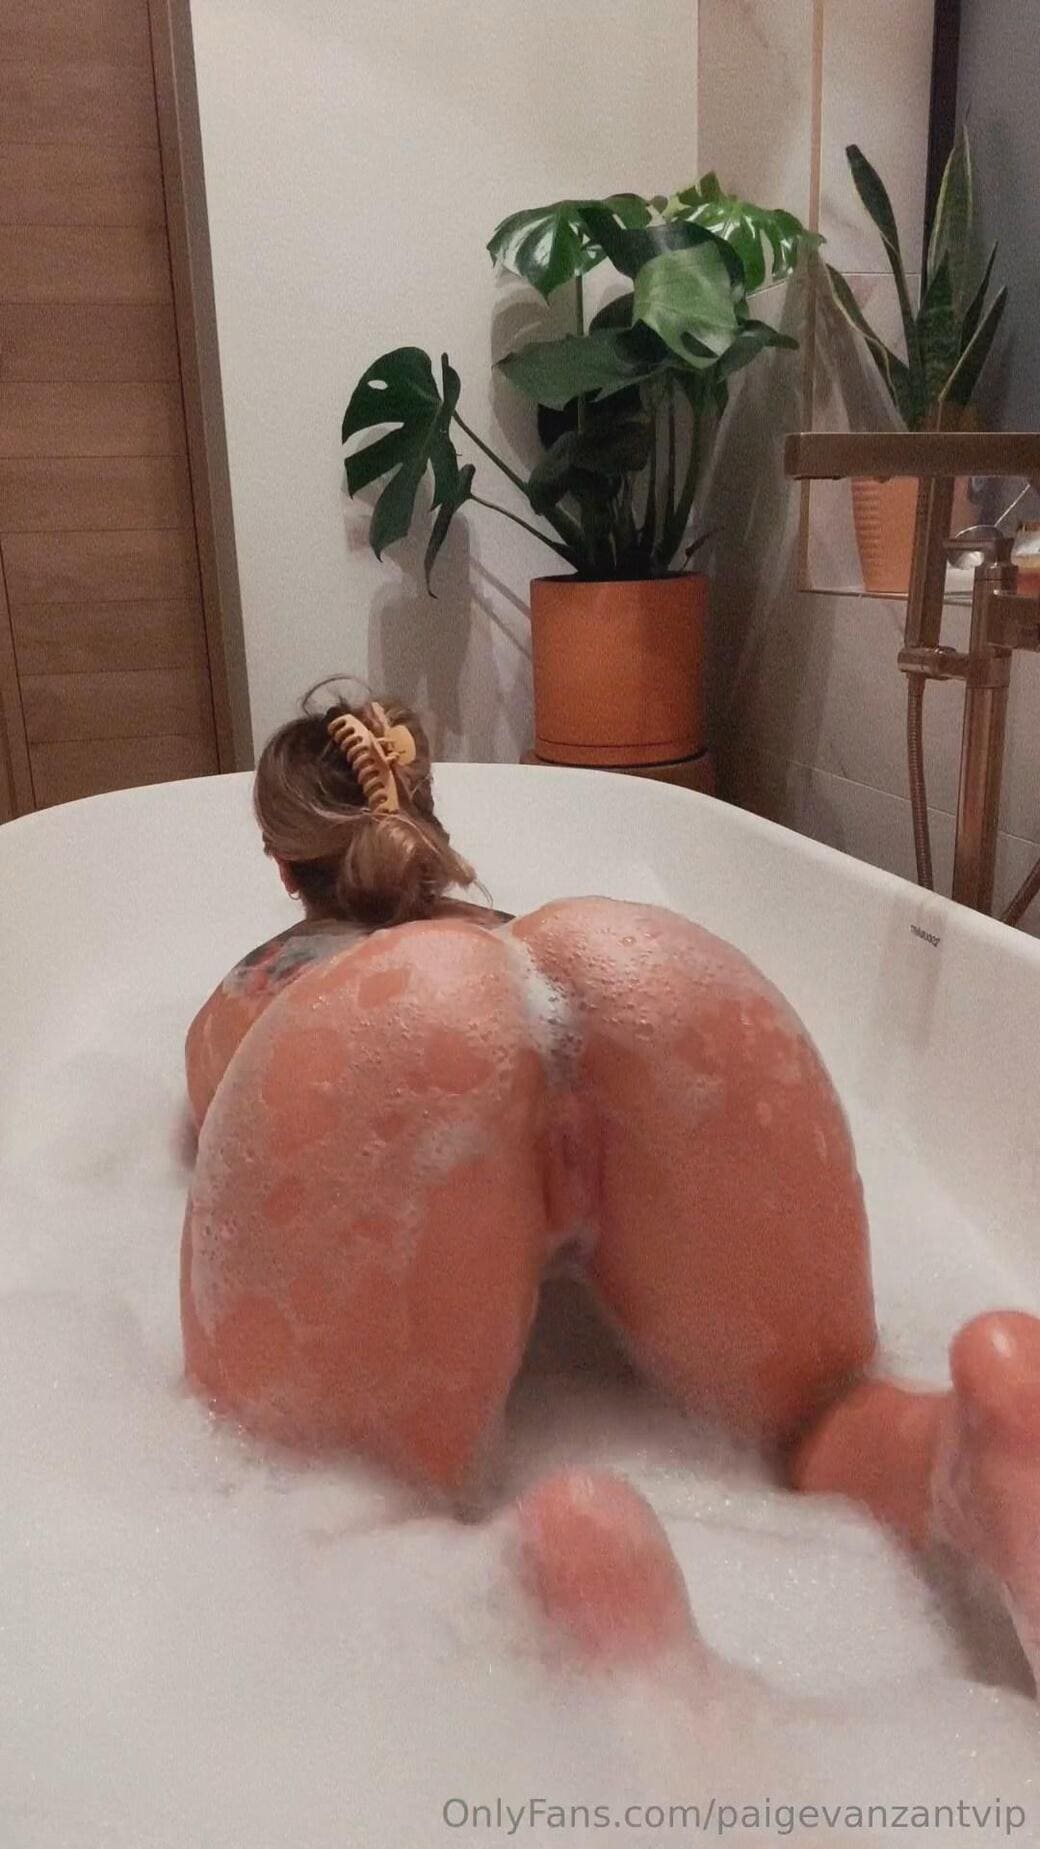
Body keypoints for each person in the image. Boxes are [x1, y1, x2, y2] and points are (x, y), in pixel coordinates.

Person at [181, 685, 1040, 1691]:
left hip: (388, 1045)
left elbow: (232, 1159)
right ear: (420, 806)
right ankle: (960, 1449)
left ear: (284, 862)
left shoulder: (258, 999)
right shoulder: (532, 948)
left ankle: (554, 1590)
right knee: (825, 1411)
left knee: (347, 1513)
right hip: (648, 985)